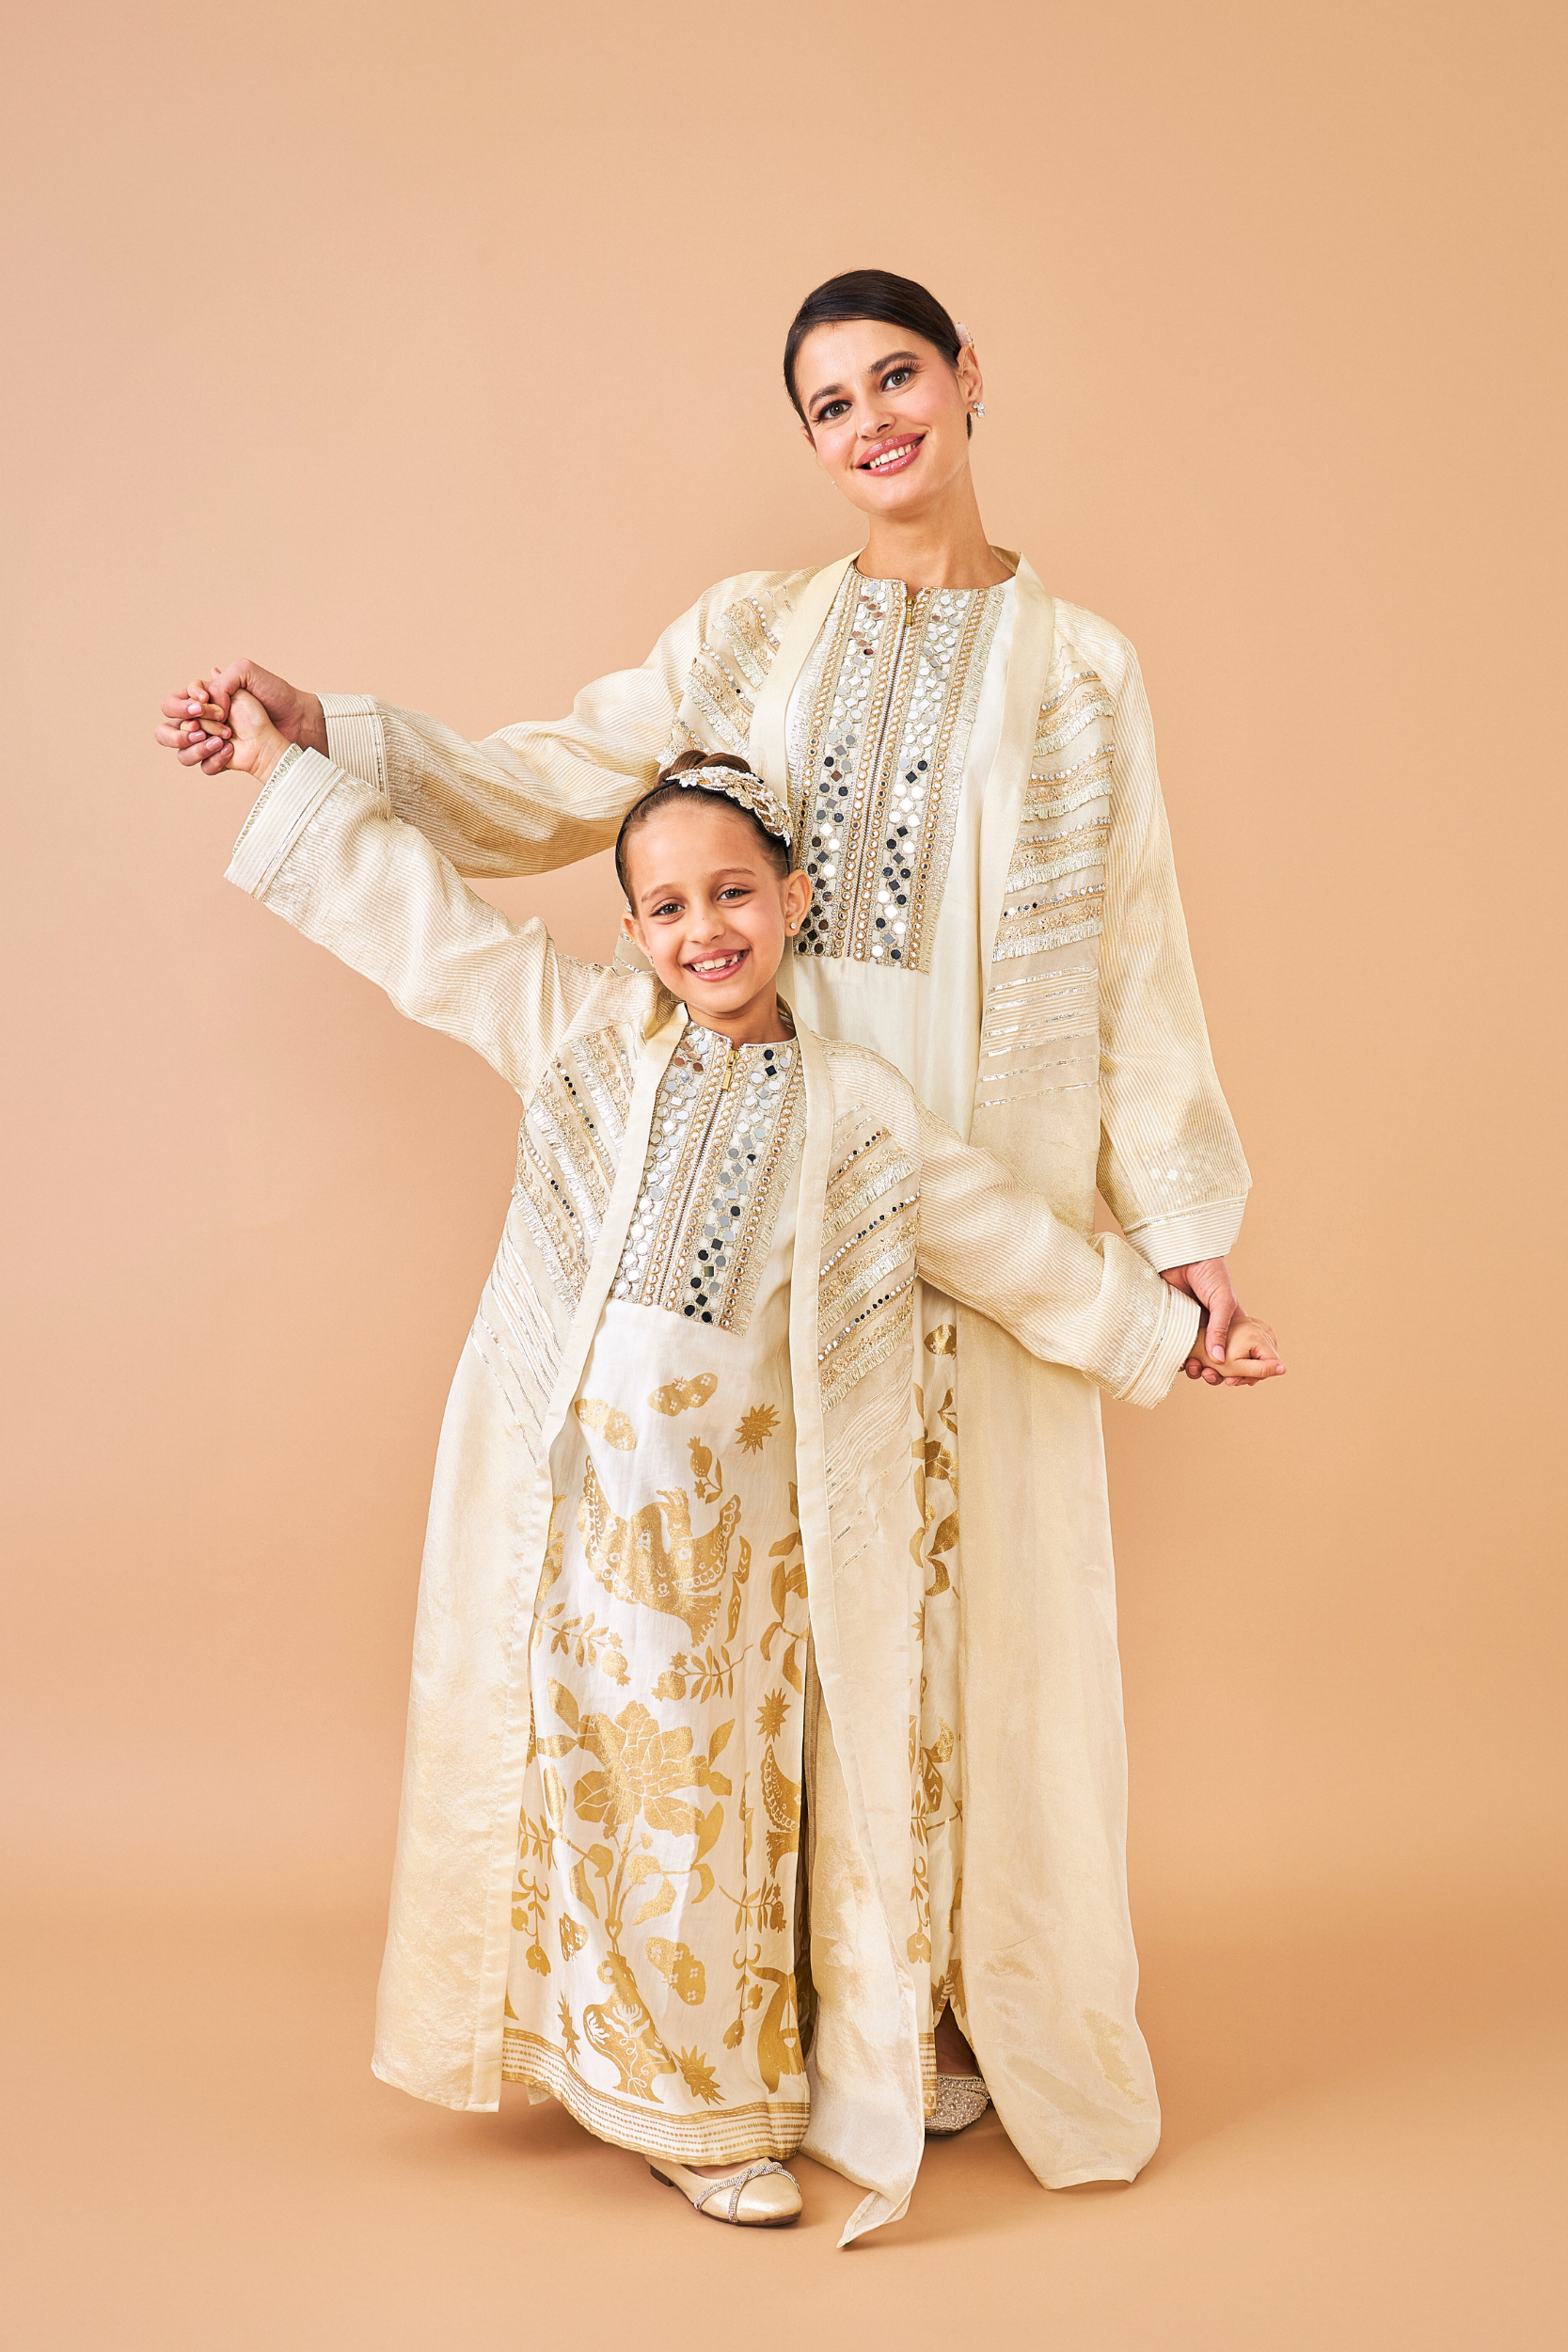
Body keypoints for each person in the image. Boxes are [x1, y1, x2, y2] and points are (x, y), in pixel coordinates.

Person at [158, 268, 1278, 2219]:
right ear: (811, 439)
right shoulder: (750, 635)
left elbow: (1132, 949)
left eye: (896, 377)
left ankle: (922, 2005)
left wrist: (1179, 1233)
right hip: (765, 1189)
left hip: (968, 1165)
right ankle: (752, 2038)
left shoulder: (1081, 669)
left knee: (955, 1606)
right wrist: (327, 738)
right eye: (830, 402)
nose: (871, 422)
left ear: (967, 380)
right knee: (770, 1614)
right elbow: (552, 787)